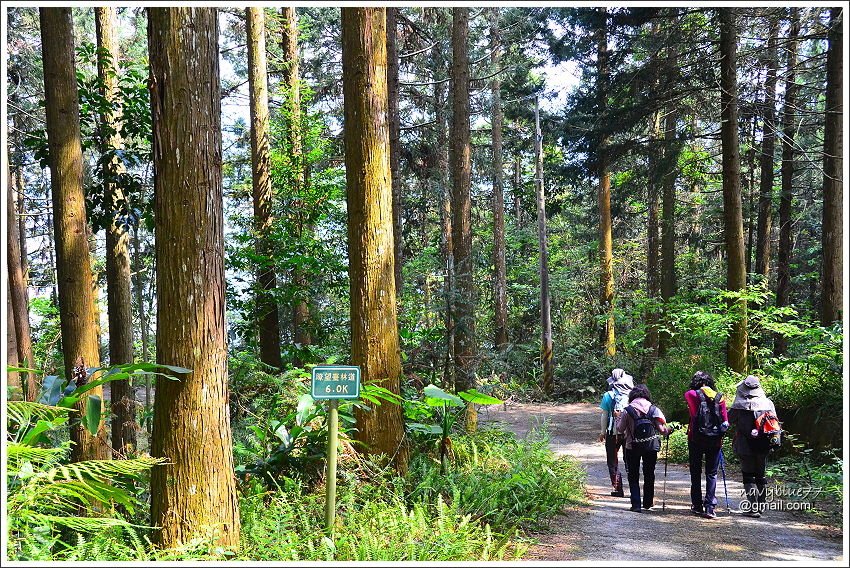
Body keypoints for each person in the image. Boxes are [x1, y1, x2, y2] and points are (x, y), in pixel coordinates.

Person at [729, 375, 778, 518]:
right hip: (763, 444)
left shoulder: (739, 406)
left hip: (744, 444)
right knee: (760, 475)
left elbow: (729, 419)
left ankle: (753, 507)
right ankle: (761, 506)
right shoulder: (768, 403)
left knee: (748, 475)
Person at [616, 384, 670, 512]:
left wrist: (618, 417)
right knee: (649, 473)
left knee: (633, 475)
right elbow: (663, 430)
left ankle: (636, 504)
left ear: (632, 396)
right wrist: (670, 429)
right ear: (646, 395)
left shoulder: (627, 410)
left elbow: (620, 429)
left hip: (632, 446)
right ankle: (647, 502)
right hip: (650, 446)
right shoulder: (653, 409)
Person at [684, 371, 729, 519]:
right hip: (715, 440)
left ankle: (697, 505)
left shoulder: (690, 394)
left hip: (695, 438)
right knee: (712, 473)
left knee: (695, 472)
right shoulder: (719, 397)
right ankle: (710, 507)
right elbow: (725, 421)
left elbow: (692, 413)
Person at [598, 369, 634, 497]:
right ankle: (634, 490)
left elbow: (604, 415)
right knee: (629, 459)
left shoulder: (608, 395)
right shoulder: (632, 394)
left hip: (612, 432)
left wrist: (602, 432)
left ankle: (618, 488)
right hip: (629, 432)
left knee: (612, 460)